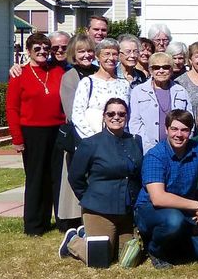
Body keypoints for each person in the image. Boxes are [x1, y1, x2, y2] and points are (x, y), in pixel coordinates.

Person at [60, 99, 143, 265]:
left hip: (126, 211)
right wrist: (89, 198)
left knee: (128, 258)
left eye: (121, 114)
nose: (116, 117)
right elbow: (75, 176)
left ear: (127, 116)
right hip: (99, 210)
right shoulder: (90, 143)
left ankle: (89, 236)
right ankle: (73, 241)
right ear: (104, 117)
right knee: (101, 260)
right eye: (111, 113)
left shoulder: (135, 141)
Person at [135, 109, 198, 268]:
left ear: (191, 131)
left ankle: (175, 244)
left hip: (184, 211)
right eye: (174, 129)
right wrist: (197, 205)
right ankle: (154, 249)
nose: (179, 134)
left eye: (184, 130)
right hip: (150, 210)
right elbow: (158, 198)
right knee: (174, 221)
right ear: (166, 129)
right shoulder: (155, 155)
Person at [6, 33, 66, 235]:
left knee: (57, 177)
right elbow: (12, 108)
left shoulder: (57, 71)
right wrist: (17, 138)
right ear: (29, 51)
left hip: (57, 130)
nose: (42, 52)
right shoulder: (19, 74)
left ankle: (62, 221)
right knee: (36, 177)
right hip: (32, 132)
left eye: (45, 49)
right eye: (37, 49)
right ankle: (34, 225)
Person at [57, 33, 98, 228]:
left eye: (90, 51)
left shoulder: (99, 72)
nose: (86, 55)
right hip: (80, 136)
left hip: (102, 134)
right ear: (74, 54)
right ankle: (75, 221)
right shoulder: (70, 77)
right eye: (81, 51)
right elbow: (71, 111)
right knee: (77, 177)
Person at [128, 51, 193, 153]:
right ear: (150, 70)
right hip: (148, 149)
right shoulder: (138, 91)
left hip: (178, 149)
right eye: (156, 67)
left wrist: (184, 143)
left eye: (166, 67)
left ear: (171, 70)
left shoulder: (181, 91)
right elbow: (134, 122)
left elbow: (189, 120)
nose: (161, 71)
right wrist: (146, 144)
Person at [72, 38, 130, 140]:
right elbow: (77, 114)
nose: (111, 58)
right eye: (106, 54)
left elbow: (127, 115)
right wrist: (94, 140)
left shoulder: (124, 84)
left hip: (118, 139)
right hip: (92, 139)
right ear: (97, 57)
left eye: (114, 54)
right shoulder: (87, 82)